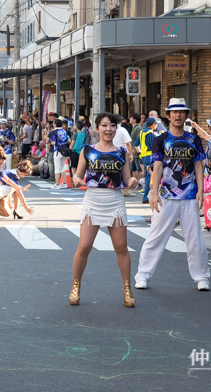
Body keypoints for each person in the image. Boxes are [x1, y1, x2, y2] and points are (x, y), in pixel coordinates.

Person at [134, 98, 211, 292]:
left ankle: (202, 277)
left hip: (190, 195)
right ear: (167, 116)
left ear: (186, 115)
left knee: (195, 239)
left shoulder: (194, 139)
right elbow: (157, 166)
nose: (178, 115)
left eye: (181, 112)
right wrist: (153, 192)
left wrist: (201, 190)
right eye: (174, 112)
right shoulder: (160, 140)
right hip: (165, 195)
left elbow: (198, 165)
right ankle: (143, 275)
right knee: (156, 237)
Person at [69, 112, 138, 307]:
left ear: (117, 128)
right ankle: (76, 285)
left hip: (115, 201)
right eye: (104, 125)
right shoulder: (87, 150)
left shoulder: (121, 152)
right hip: (93, 201)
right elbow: (78, 173)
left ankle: (127, 288)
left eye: (112, 125)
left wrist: (132, 181)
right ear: (97, 129)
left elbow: (127, 179)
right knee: (83, 247)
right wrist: (76, 179)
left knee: (121, 248)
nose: (109, 129)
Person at [49, 118, 72, 188]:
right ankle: (64, 183)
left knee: (57, 168)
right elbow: (69, 141)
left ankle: (57, 184)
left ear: (55, 124)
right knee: (62, 168)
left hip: (57, 151)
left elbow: (53, 142)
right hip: (64, 151)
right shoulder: (65, 132)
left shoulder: (54, 132)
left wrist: (53, 142)